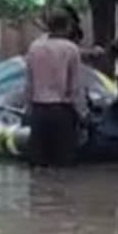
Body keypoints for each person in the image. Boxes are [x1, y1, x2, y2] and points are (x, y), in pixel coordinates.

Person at [24, 9, 86, 167]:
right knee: (63, 165)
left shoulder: (34, 48)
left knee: (38, 166)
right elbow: (75, 86)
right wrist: (83, 113)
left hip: (38, 110)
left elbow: (28, 83)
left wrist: (28, 110)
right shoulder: (71, 49)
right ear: (68, 26)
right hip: (62, 112)